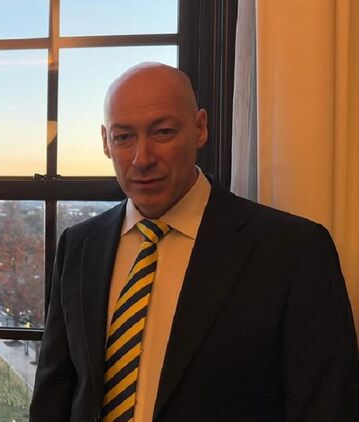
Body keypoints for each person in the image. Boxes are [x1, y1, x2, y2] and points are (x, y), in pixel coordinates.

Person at [30, 62, 359, 422]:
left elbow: (327, 405)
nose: (142, 159)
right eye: (124, 137)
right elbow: (53, 393)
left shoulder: (293, 252)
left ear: (200, 129)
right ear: (106, 142)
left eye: (163, 132)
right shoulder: (78, 247)